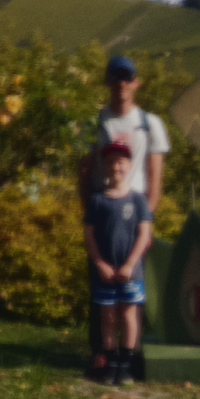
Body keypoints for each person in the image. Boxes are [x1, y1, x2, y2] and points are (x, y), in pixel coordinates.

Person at [78, 55, 168, 379]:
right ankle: (101, 355)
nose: (121, 84)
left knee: (132, 292)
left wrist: (148, 222)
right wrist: (90, 213)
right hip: (104, 207)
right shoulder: (95, 123)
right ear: (108, 82)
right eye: (115, 78)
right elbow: (84, 170)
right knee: (101, 285)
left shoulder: (150, 123)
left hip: (136, 213)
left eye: (127, 78)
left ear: (136, 83)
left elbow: (154, 176)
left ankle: (130, 357)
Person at [83, 140, 155, 386]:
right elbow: (89, 236)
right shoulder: (97, 200)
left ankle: (126, 365)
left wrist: (130, 264)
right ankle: (110, 363)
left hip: (130, 272)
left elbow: (144, 235)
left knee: (128, 315)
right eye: (111, 161)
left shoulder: (138, 200)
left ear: (130, 165)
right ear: (104, 166)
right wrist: (100, 264)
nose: (116, 166)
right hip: (105, 272)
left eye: (121, 161)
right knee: (108, 318)